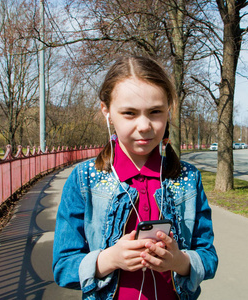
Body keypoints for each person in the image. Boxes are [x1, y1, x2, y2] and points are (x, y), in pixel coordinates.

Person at [52, 56, 218, 300]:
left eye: (155, 112)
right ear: (106, 111)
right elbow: (63, 267)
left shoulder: (188, 178)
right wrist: (109, 259)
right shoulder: (84, 179)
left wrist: (180, 262)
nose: (144, 125)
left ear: (168, 110)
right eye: (129, 113)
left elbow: (208, 257)